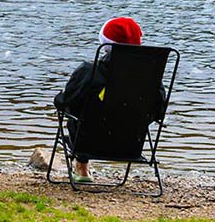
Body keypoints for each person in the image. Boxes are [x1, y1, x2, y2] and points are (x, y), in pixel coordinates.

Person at [53, 17, 165, 182]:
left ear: (105, 45)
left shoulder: (89, 71)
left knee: (78, 111)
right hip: (129, 145)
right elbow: (159, 111)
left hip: (88, 143)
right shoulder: (150, 80)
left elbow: (66, 103)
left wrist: (59, 98)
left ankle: (82, 169)